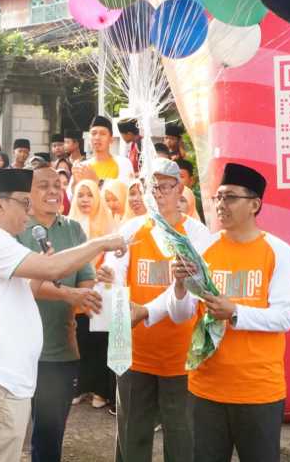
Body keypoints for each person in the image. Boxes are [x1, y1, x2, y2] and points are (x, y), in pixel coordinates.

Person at [0, 167, 126, 462]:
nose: (29, 210)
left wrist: (46, 266)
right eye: (24, 202)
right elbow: (53, 269)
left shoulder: (0, 237)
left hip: (8, 374)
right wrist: (101, 243)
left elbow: (30, 286)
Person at [168, 163, 290, 462]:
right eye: (218, 197)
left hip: (258, 390)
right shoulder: (203, 249)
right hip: (206, 388)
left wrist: (235, 312)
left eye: (230, 197)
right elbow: (181, 314)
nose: (220, 204)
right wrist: (179, 285)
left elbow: (284, 317)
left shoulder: (277, 251)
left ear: (255, 204)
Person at [104, 158, 211, 462]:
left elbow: (190, 298)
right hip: (134, 351)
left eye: (165, 186)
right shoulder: (132, 229)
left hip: (181, 355)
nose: (159, 193)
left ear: (180, 188)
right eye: (153, 187)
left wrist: (145, 311)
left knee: (182, 437)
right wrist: (110, 286)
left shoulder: (197, 235)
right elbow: (114, 276)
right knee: (131, 434)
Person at [15, 162, 100, 462]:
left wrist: (89, 296)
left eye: (57, 185)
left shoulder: (73, 229)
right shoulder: (15, 229)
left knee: (50, 438)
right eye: (43, 186)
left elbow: (86, 276)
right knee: (9, 435)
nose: (52, 191)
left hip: (60, 350)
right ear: (28, 193)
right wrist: (69, 293)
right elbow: (21, 284)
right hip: (18, 350)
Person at [67, 179, 116, 410]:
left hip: (100, 290)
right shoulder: (69, 225)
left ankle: (100, 390)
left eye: (89, 195)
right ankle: (80, 386)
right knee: (79, 340)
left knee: (98, 341)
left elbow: (113, 259)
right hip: (75, 290)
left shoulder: (108, 224)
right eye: (80, 195)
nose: (85, 200)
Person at [75, 116, 133, 184]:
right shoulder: (83, 167)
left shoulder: (123, 163)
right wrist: (74, 182)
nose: (97, 137)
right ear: (89, 139)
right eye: (94, 133)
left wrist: (96, 181)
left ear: (111, 139)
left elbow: (125, 189)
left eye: (102, 134)